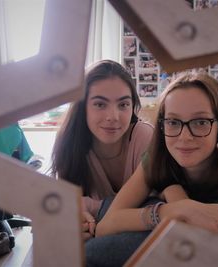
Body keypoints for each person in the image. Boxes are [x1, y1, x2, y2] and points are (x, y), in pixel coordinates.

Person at [88, 73, 218, 266]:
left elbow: (213, 243)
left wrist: (173, 193)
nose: (184, 137)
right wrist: (177, 209)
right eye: (173, 122)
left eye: (200, 122)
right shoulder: (158, 156)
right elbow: (106, 226)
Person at [50, 60, 153, 241]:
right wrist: (80, 222)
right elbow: (69, 208)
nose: (113, 117)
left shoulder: (143, 136)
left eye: (123, 105)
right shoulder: (71, 143)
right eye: (100, 104)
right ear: (83, 107)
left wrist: (88, 206)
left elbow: (150, 207)